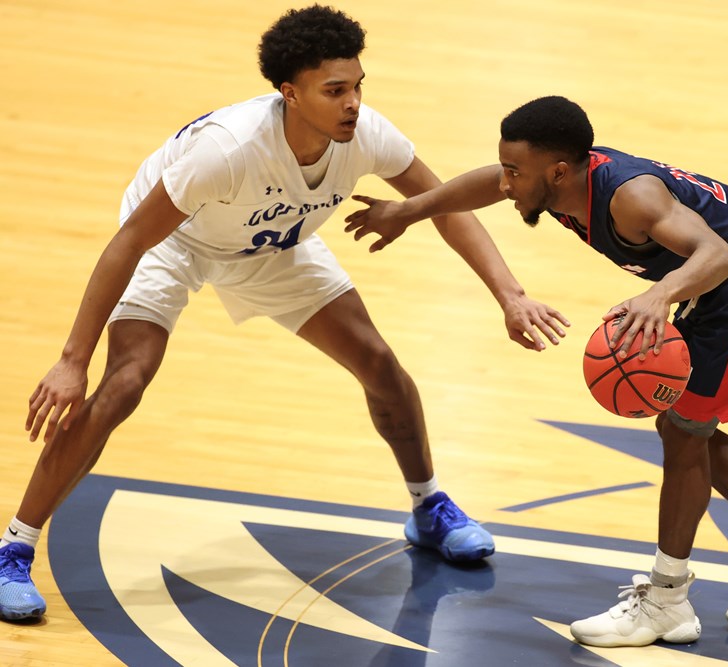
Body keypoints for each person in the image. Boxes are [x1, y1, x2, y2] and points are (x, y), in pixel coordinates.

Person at [0, 8, 571, 622]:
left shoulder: (369, 134)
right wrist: (70, 359)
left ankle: (428, 507)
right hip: (175, 240)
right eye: (335, 92)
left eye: (357, 86)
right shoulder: (226, 151)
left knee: (379, 363)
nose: (353, 103)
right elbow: (130, 243)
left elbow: (447, 208)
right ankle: (15, 546)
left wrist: (509, 293)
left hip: (272, 243)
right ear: (289, 94)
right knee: (125, 384)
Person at [343, 95, 728, 647]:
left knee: (683, 431)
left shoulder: (630, 199)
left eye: (517, 172)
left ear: (557, 171)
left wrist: (659, 295)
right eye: (507, 167)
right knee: (685, 426)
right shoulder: (557, 181)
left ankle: (667, 602)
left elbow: (716, 252)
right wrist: (407, 211)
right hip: (726, 280)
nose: (507, 183)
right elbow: (486, 182)